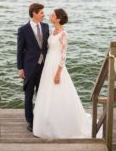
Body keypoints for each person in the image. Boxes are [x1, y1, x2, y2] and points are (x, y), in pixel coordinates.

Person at [33, 8, 99, 138]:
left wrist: (58, 73)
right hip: (48, 65)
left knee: (58, 92)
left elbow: (63, 55)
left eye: (52, 15)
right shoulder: (53, 31)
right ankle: (48, 120)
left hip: (56, 65)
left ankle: (63, 123)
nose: (49, 17)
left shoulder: (63, 34)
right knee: (47, 92)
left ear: (58, 19)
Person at [17, 3, 50, 132]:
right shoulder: (23, 30)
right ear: (34, 13)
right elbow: (20, 50)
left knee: (42, 94)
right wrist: (20, 68)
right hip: (29, 68)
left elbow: (47, 47)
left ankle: (41, 119)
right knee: (29, 95)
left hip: (44, 67)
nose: (43, 15)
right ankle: (30, 121)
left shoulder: (46, 27)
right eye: (41, 12)